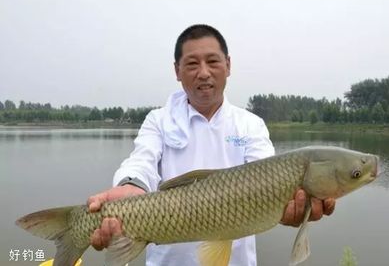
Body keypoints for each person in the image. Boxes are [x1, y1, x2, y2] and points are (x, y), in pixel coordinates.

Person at [87, 24, 335, 266]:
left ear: (228, 65)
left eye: (213, 62)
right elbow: (141, 162)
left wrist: (289, 206)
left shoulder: (250, 124)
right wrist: (131, 185)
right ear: (177, 70)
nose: (203, 72)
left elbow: (267, 176)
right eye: (192, 64)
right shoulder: (158, 120)